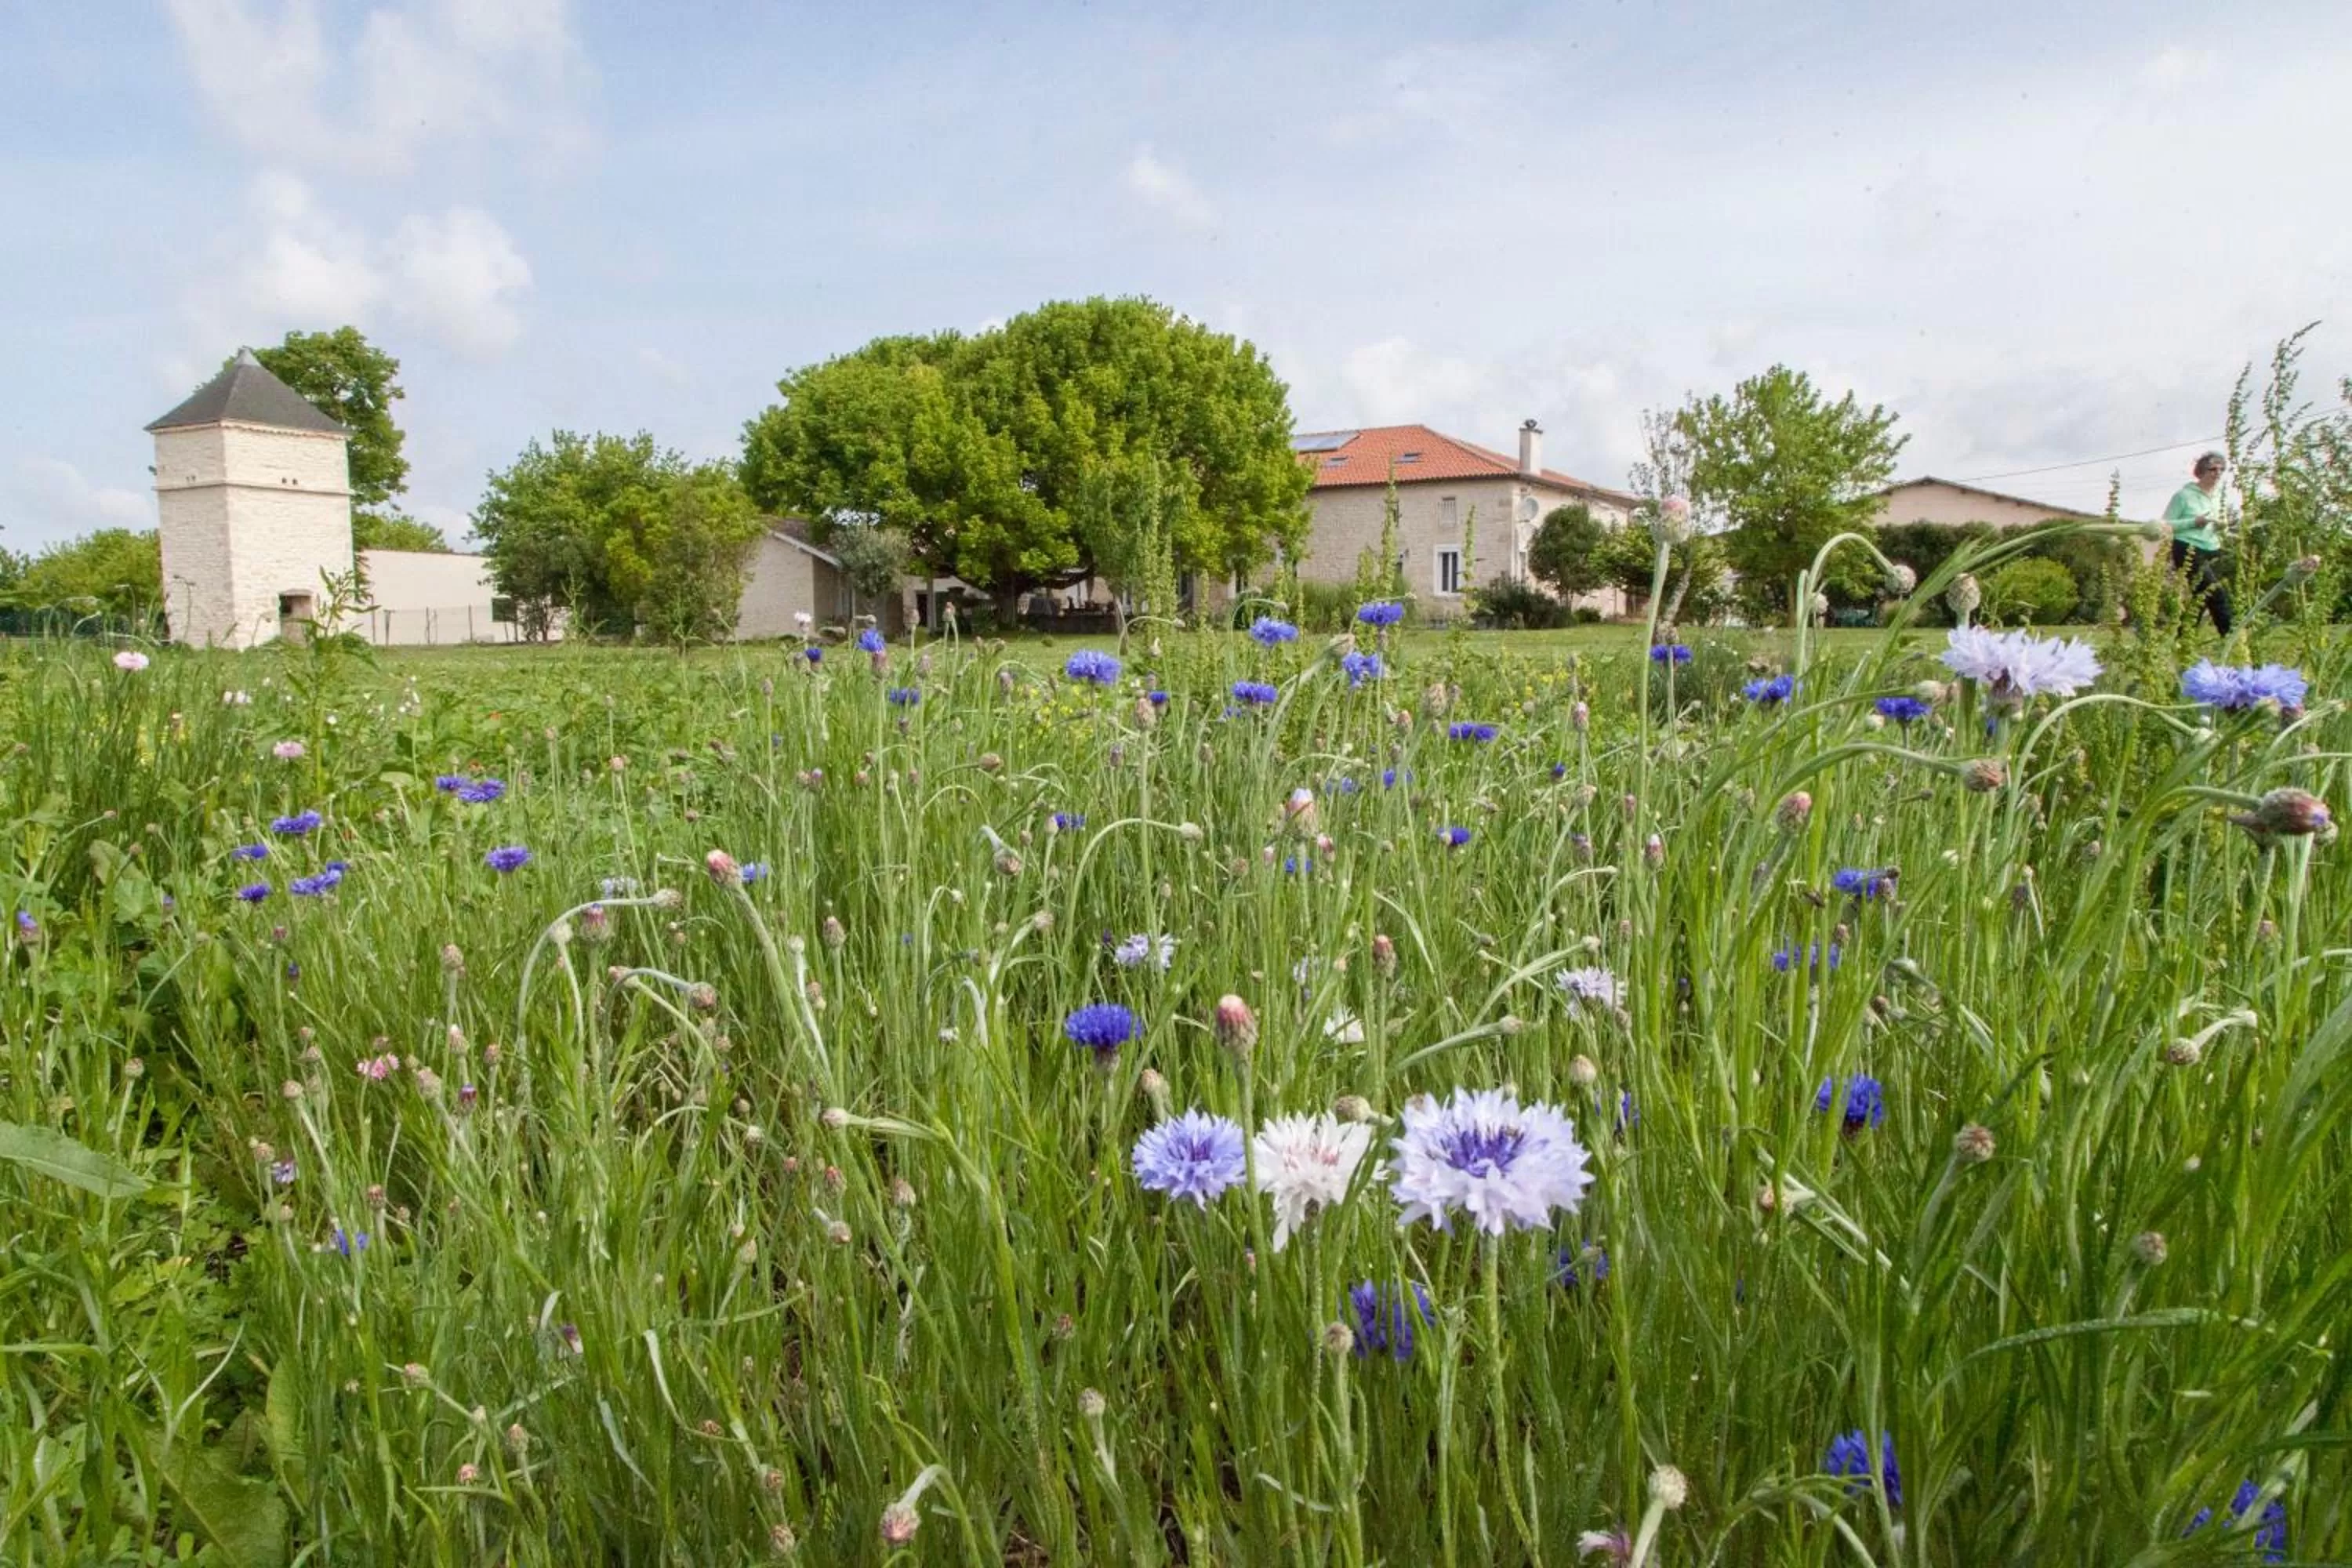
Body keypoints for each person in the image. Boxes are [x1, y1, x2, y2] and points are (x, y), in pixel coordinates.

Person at [2163, 451, 2231, 633]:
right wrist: (2193, 522)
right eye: (2213, 469)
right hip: (2187, 548)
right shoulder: (2183, 496)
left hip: (2212, 548)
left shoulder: (2218, 498)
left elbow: (2220, 525)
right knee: (2215, 593)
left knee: (2200, 598)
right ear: (2201, 471)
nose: (2217, 473)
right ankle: (2230, 636)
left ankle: (2183, 640)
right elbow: (2166, 524)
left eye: (2221, 470)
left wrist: (2222, 527)